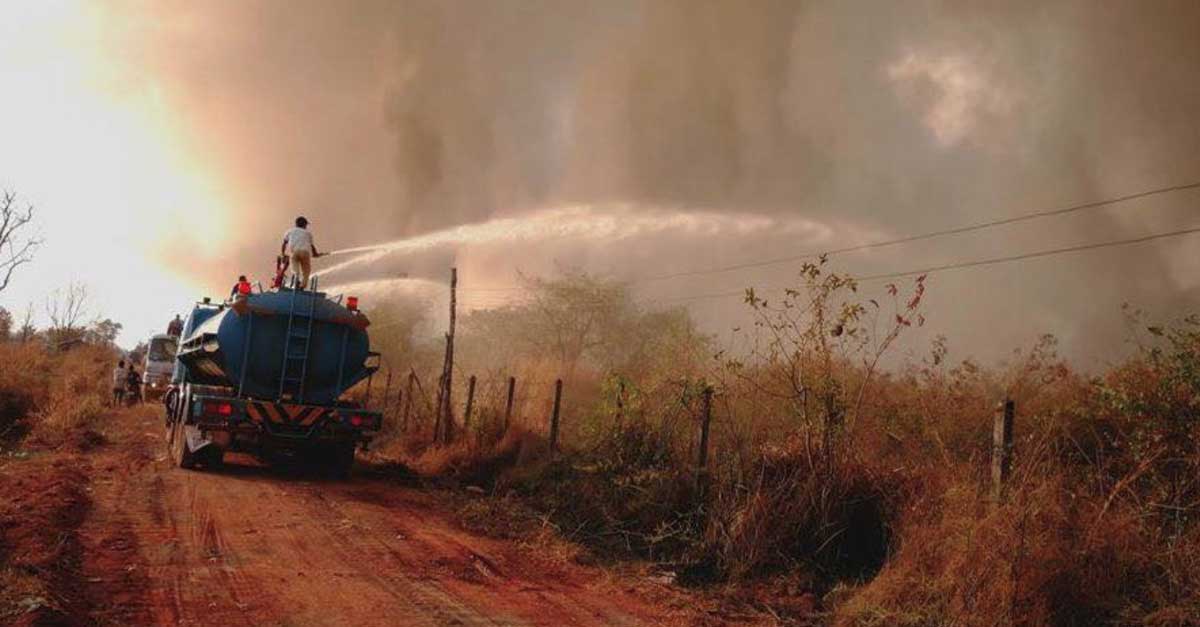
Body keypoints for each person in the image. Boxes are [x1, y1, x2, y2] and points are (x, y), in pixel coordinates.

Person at [280, 216, 324, 290]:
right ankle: (302, 286)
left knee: (294, 267)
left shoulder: (290, 231)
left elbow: (284, 243)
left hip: (294, 252)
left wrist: (283, 254)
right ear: (304, 225)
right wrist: (315, 254)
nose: (306, 226)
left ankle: (296, 278)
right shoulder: (308, 233)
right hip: (305, 253)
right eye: (306, 225)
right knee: (306, 271)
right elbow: (312, 246)